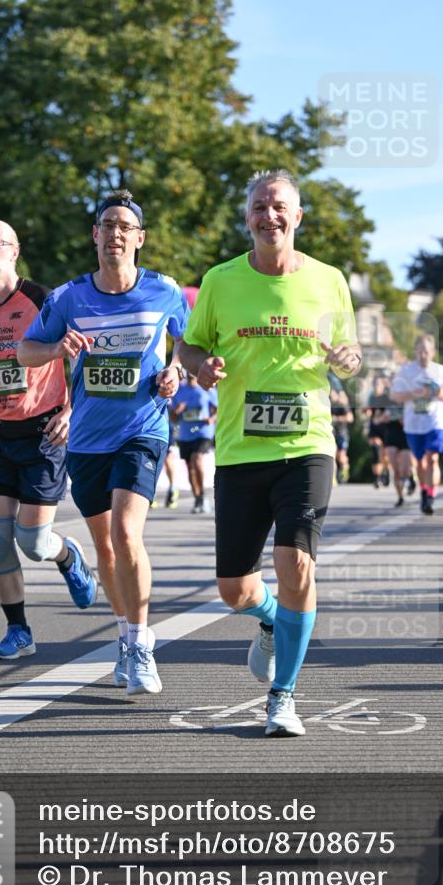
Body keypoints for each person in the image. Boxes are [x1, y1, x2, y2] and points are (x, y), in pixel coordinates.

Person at [180, 169, 361, 738]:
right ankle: (269, 621)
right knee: (234, 589)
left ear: (297, 216)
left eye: (279, 206)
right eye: (259, 206)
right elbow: (189, 345)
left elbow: (350, 352)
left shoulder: (329, 280)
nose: (269, 215)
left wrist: (348, 361)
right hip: (240, 450)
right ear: (247, 218)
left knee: (295, 563)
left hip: (308, 445)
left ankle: (282, 697)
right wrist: (200, 366)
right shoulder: (220, 280)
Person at [18, 190, 189, 695]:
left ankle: (140, 645)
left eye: (124, 226)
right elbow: (25, 351)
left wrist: (176, 371)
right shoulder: (68, 298)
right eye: (107, 225)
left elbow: (188, 342)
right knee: (107, 549)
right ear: (95, 235)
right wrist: (56, 346)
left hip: (143, 429)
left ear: (140, 238)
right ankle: (124, 636)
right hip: (88, 439)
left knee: (126, 534)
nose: (115, 233)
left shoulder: (164, 290)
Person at [0, 219, 97, 660]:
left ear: (14, 251)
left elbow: (83, 357)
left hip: (44, 431)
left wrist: (72, 412)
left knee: (32, 543)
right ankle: (19, 631)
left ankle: (67, 555)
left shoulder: (43, 299)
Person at [390, 334, 443, 515]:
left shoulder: (440, 370)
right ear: (415, 351)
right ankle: (424, 490)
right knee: (420, 462)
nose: (423, 354)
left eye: (426, 351)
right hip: (414, 424)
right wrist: (414, 393)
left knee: (432, 458)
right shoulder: (406, 371)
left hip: (435, 421)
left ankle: (430, 495)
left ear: (433, 352)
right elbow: (395, 395)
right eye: (420, 350)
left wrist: (435, 391)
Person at [172, 374, 217, 512]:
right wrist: (177, 410)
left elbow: (217, 409)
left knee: (196, 459)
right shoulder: (179, 390)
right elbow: (172, 418)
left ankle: (202, 494)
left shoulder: (207, 388)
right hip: (186, 434)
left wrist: (212, 418)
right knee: (189, 466)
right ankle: (197, 497)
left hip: (203, 431)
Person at [377, 372, 415, 506]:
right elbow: (376, 419)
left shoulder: (407, 397)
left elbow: (415, 415)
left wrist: (406, 419)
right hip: (390, 434)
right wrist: (383, 418)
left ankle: (410, 477)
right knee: (396, 470)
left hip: (405, 434)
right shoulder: (384, 399)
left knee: (405, 469)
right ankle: (400, 497)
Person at [365, 375, 391, 488]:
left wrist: (380, 418)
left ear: (383, 386)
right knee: (376, 450)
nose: (376, 386)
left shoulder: (386, 398)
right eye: (374, 384)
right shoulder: (371, 397)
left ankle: (386, 471)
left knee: (384, 455)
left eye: (378, 384)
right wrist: (368, 412)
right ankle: (376, 478)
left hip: (385, 428)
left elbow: (389, 413)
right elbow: (369, 410)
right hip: (374, 428)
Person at [329, 377, 353, 484]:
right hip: (331, 433)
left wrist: (336, 419)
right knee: (332, 454)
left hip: (342, 433)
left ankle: (345, 469)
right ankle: (333, 478)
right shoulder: (326, 403)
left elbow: (350, 418)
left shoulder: (342, 403)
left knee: (341, 456)